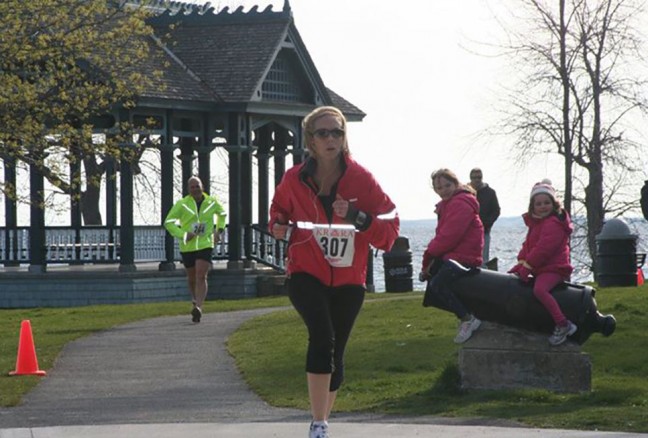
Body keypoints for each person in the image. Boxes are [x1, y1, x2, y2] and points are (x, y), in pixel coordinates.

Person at [269, 106, 399, 438]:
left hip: (349, 278)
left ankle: (322, 421)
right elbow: (278, 214)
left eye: (337, 132)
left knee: (336, 350)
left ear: (345, 138)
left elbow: (389, 227)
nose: (331, 139)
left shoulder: (361, 178)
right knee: (322, 336)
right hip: (305, 272)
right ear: (310, 140)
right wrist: (277, 228)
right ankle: (318, 423)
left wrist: (357, 216)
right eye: (323, 133)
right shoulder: (293, 178)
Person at [508, 178, 577, 346]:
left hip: (555, 267)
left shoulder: (553, 224)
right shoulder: (537, 225)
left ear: (554, 204)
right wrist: (521, 262)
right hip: (542, 267)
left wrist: (528, 266)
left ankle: (563, 324)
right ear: (533, 207)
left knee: (540, 290)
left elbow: (543, 249)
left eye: (547, 202)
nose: (543, 206)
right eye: (538, 204)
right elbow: (529, 245)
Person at [419, 168, 484, 344]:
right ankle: (466, 315)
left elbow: (448, 237)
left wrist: (428, 256)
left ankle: (467, 318)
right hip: (456, 255)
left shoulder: (460, 203)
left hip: (464, 257)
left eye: (447, 185)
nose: (444, 190)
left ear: (456, 184)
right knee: (432, 279)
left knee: (437, 284)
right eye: (439, 188)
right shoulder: (449, 205)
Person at [164, 176, 227, 323]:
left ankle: (199, 307)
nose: (195, 189)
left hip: (205, 243)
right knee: (192, 277)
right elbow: (168, 222)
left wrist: (219, 230)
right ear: (188, 189)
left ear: (202, 186)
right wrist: (183, 234)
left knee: (201, 275)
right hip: (188, 246)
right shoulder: (182, 204)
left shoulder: (212, 202)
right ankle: (194, 299)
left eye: (197, 186)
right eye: (192, 187)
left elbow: (222, 214)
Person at [469, 167, 500, 265]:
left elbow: (496, 210)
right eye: (474, 177)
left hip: (484, 231)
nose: (477, 180)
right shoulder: (466, 192)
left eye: (479, 177)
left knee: (483, 259)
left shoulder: (490, 192)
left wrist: (487, 223)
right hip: (468, 231)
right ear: (470, 178)